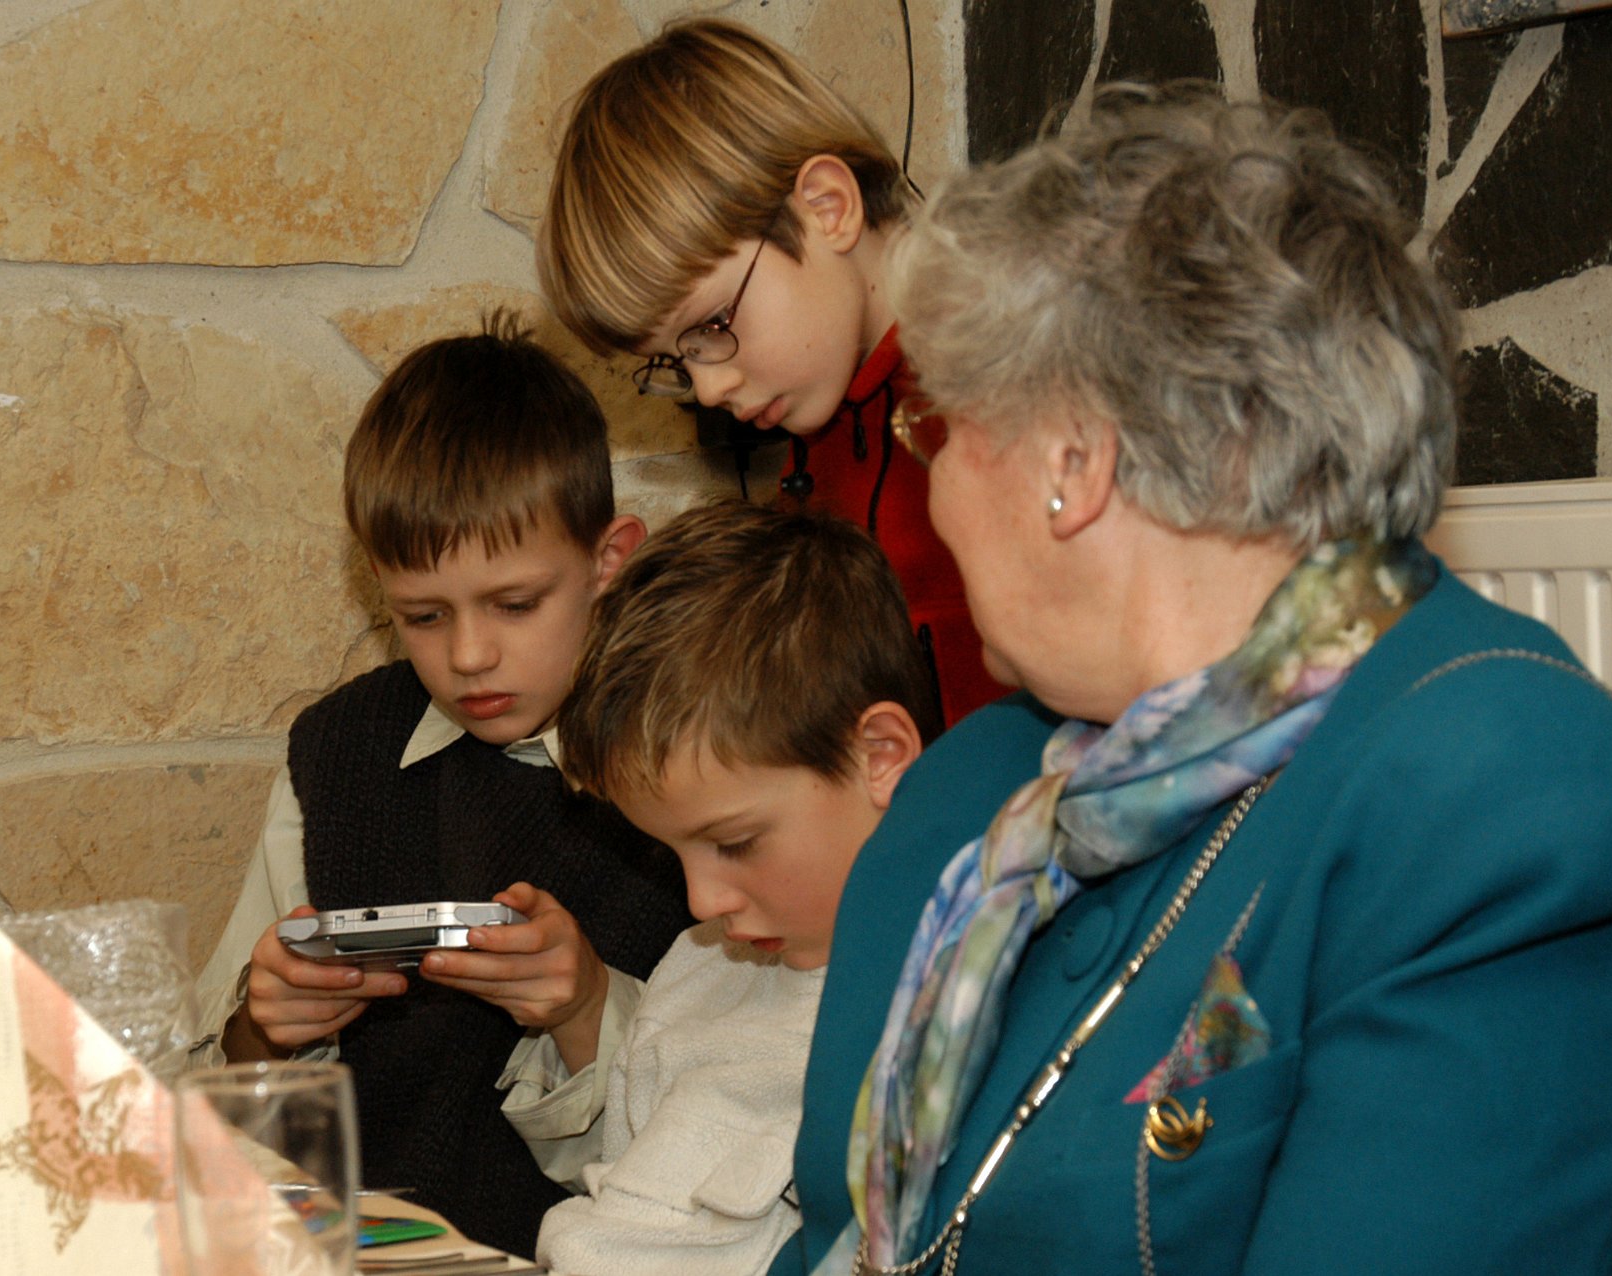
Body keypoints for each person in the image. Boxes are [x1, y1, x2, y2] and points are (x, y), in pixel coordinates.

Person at [779, 84, 1612, 1276]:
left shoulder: (1511, 805)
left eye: (939, 431)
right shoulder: (981, 793)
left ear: (1073, 461)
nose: (931, 489)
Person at [190, 314, 693, 1258]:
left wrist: (585, 1008)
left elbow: (735, 1143)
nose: (468, 655)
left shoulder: (700, 766)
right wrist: (266, 1030)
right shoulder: (339, 751)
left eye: (515, 604)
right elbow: (207, 1106)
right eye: (422, 616)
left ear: (609, 561)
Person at [500, 501, 935, 1276]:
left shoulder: (958, 1000)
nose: (702, 903)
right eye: (672, 852)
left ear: (879, 756)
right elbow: (627, 1204)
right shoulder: (697, 971)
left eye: (735, 844)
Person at [537, 17, 1007, 729]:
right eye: (673, 360)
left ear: (827, 208)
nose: (708, 388)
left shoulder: (1011, 380)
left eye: (712, 326)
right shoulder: (820, 436)